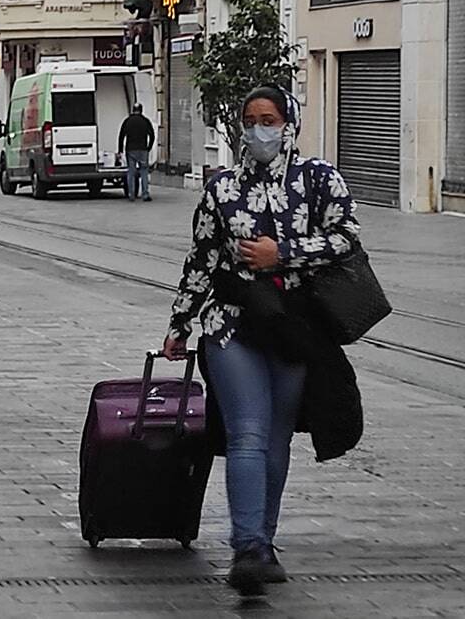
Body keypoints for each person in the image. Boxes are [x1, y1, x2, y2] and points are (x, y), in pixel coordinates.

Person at [163, 86, 363, 597]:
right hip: (233, 326)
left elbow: (346, 239)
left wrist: (284, 253)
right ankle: (247, 546)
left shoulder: (320, 181)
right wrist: (180, 323)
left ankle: (264, 542)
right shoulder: (222, 189)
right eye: (250, 120)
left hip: (294, 329)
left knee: (275, 440)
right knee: (247, 433)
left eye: (268, 119)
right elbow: (202, 258)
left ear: (288, 123)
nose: (259, 130)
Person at [118, 103, 155, 202]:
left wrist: (120, 150)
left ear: (133, 110)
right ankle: (145, 194)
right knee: (144, 172)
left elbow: (121, 136)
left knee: (131, 171)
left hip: (131, 150)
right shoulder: (145, 121)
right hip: (143, 150)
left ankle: (131, 194)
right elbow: (152, 135)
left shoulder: (127, 121)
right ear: (141, 110)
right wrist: (149, 147)